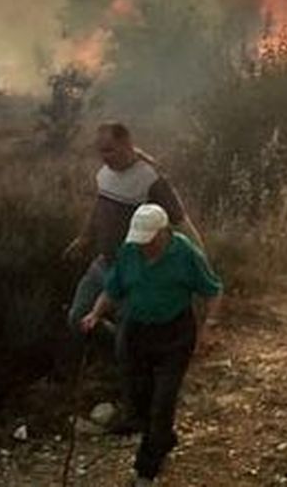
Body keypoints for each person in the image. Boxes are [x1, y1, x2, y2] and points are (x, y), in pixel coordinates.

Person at [80, 202, 222, 487]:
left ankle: (146, 471)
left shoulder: (185, 254)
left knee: (163, 401)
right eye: (141, 239)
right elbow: (113, 288)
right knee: (141, 402)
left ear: (164, 232)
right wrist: (95, 313)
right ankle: (163, 438)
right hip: (138, 332)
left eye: (150, 240)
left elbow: (213, 290)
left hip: (175, 335)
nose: (144, 246)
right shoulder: (129, 251)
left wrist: (209, 327)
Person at [65, 123, 201, 345]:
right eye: (100, 150)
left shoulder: (150, 179)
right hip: (103, 263)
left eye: (109, 150)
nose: (104, 156)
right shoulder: (105, 174)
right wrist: (84, 237)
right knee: (77, 317)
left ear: (126, 144)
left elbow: (180, 221)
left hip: (134, 270)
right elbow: (100, 209)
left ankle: (131, 363)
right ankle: (119, 353)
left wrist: (198, 257)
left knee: (129, 333)